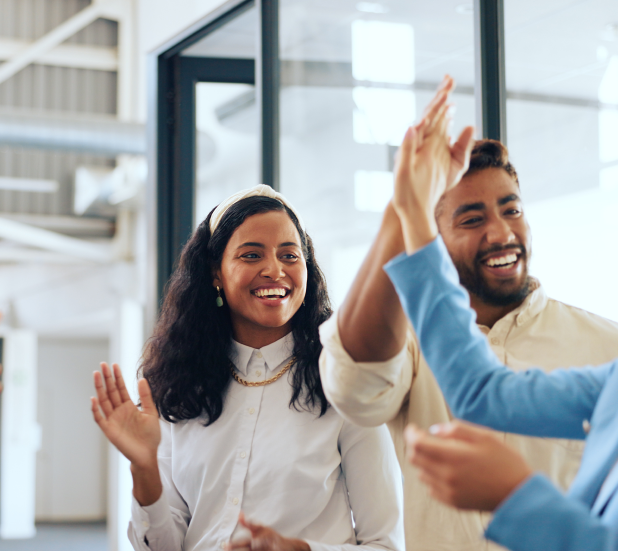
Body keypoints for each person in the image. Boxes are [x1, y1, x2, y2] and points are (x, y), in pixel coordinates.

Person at [318, 77, 618, 550]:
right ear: (428, 236)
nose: (500, 232)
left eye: (511, 210)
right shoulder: (407, 346)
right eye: (472, 219)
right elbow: (353, 386)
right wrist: (405, 204)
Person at [91, 185, 404, 551]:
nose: (275, 270)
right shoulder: (178, 385)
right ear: (215, 274)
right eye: (251, 255)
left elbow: (386, 544)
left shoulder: (344, 381)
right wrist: (143, 469)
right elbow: (163, 546)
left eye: (290, 255)